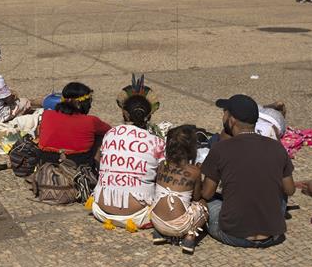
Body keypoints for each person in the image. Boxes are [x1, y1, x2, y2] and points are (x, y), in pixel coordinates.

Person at [201, 94, 295, 248]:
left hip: (233, 235)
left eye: (224, 113)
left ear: (231, 120)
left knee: (206, 201)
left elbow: (207, 193)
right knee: (278, 186)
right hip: (274, 235)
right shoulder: (276, 147)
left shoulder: (220, 149)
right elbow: (290, 190)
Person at [91, 94, 165, 229]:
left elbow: (97, 160)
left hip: (100, 211)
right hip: (137, 216)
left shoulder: (110, 134)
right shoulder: (157, 142)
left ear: (124, 113)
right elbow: (161, 176)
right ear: (149, 116)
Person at [151, 125, 208, 254]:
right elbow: (197, 198)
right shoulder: (194, 171)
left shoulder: (161, 165)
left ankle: (160, 232)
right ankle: (190, 236)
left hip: (156, 219)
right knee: (204, 206)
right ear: (192, 149)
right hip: (178, 227)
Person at [38, 82, 111, 167]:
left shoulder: (46, 115)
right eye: (89, 101)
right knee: (100, 136)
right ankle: (97, 171)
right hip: (78, 167)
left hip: (46, 164)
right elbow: (110, 131)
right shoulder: (91, 121)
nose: (90, 105)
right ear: (78, 104)